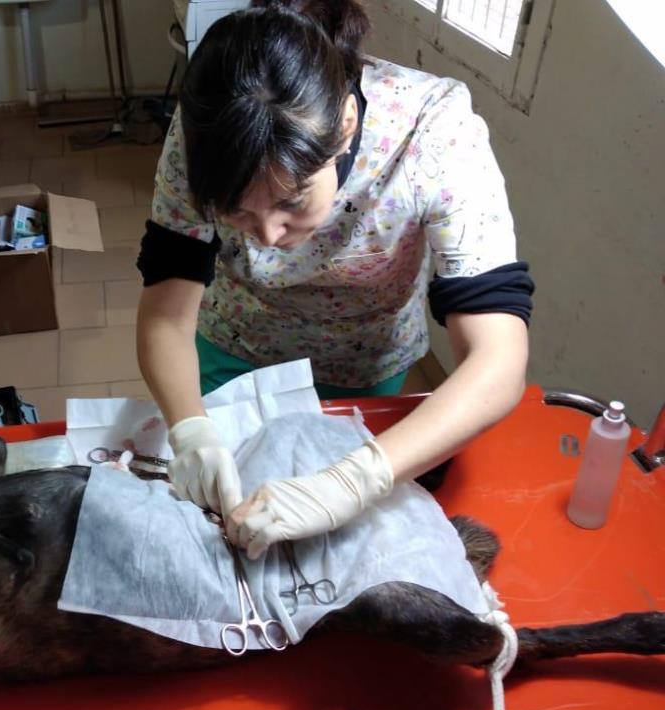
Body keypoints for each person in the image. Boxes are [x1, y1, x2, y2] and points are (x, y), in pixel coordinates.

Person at [135, 0, 534, 559]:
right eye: (237, 212)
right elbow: (166, 310)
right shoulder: (210, 127)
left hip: (363, 367)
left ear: (345, 127)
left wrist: (357, 479)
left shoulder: (434, 131)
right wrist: (189, 428)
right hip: (235, 345)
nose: (267, 237)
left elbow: (498, 359)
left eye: (291, 202)